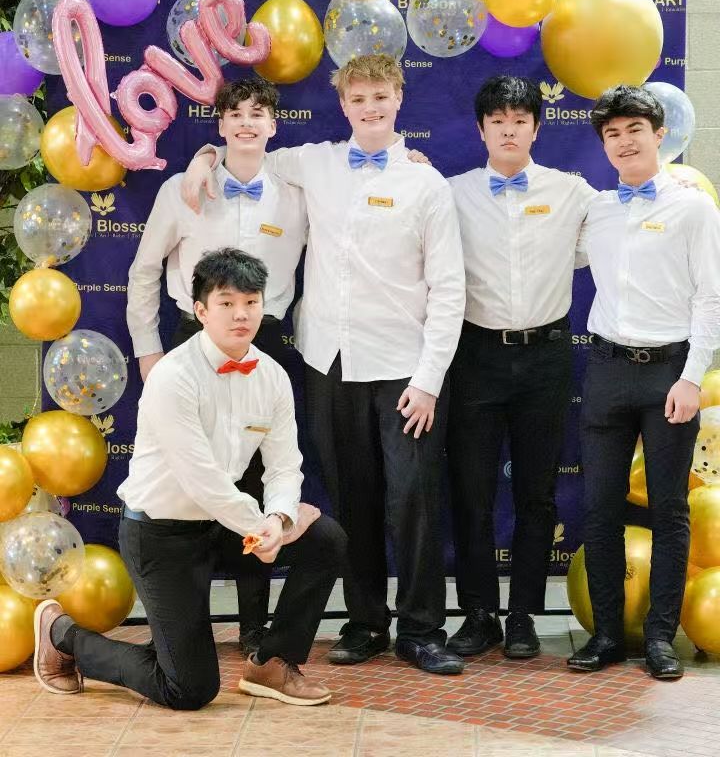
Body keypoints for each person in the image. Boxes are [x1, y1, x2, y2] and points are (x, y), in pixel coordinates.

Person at [182, 54, 467, 675]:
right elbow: (248, 152)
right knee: (351, 500)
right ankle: (366, 623)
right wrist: (204, 158)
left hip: (403, 369)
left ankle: (422, 630)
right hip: (328, 361)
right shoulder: (315, 161)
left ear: (398, 99)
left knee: (413, 500)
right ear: (343, 105)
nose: (370, 107)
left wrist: (428, 381)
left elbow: (449, 291)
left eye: (380, 96)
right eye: (358, 98)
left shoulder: (427, 184)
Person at [34, 249, 346, 708]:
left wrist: (278, 519)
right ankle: (63, 636)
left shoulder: (273, 376)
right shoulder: (174, 376)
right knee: (188, 689)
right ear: (200, 311)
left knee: (325, 538)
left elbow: (284, 466)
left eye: (251, 302)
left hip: (222, 528)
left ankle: (272, 662)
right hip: (161, 533)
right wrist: (264, 527)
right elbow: (200, 478)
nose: (241, 314)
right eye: (226, 303)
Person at [127, 77, 307, 655]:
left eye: (259, 113)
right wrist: (149, 354)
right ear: (219, 124)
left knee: (258, 479)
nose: (247, 123)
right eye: (235, 114)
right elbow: (143, 272)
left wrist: (406, 157)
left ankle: (256, 627)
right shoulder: (184, 188)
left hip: (268, 341)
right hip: (193, 338)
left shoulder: (297, 192)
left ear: (274, 125)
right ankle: (187, 627)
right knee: (194, 476)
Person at [568, 85, 720, 680]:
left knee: (669, 510)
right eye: (612, 134)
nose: (624, 142)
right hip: (605, 370)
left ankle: (659, 636)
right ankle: (607, 634)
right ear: (603, 145)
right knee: (600, 508)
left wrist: (691, 377)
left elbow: (711, 297)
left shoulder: (692, 208)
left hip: (670, 375)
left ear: (660, 135)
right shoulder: (597, 209)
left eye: (635, 130)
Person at [447, 76, 596, 660]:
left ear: (537, 126)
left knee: (537, 493)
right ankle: (479, 614)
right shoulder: (451, 193)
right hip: (475, 353)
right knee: (472, 490)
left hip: (546, 356)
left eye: (520, 120)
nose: (509, 130)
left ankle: (524, 617)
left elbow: (602, 244)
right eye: (497, 121)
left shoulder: (573, 192)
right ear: (482, 128)